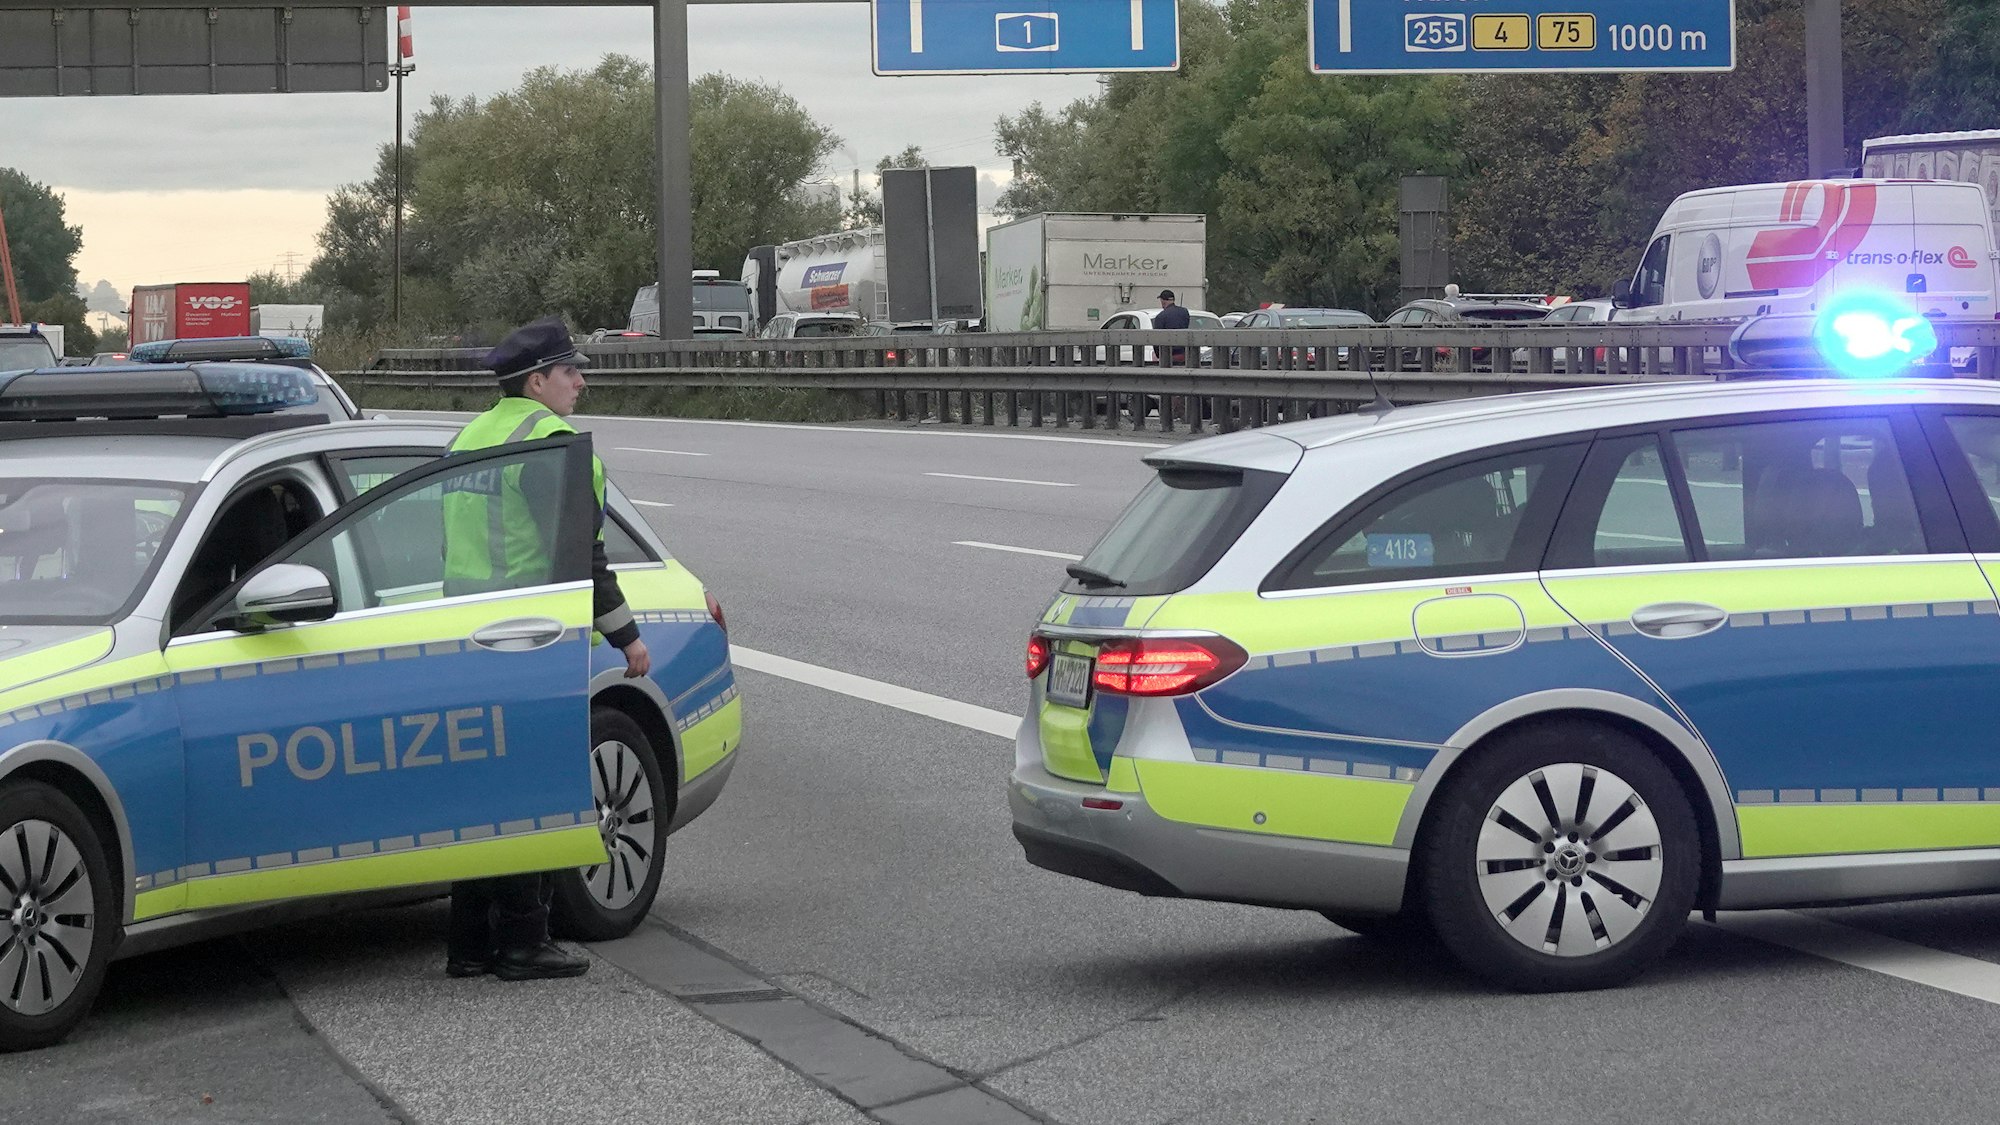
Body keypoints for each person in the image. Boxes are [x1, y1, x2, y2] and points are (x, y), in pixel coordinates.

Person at [440, 315, 652, 982]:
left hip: (462, 631)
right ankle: (525, 939)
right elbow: (583, 558)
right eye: (569, 371)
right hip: (527, 637)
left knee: (478, 788)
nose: (580, 381)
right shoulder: (555, 445)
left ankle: (469, 943)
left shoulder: (469, 437)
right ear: (537, 381)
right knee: (530, 787)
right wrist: (628, 638)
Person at [1153, 289, 1191, 365]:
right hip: (1184, 353)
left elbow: (1156, 338)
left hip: (1168, 356)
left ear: (1163, 301)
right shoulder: (1184, 312)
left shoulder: (1160, 317)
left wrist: (1158, 355)